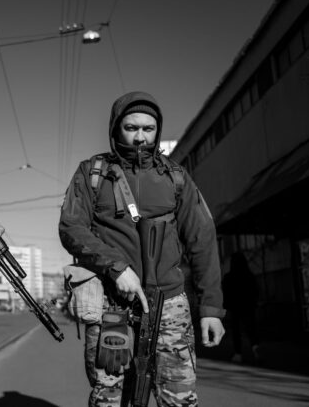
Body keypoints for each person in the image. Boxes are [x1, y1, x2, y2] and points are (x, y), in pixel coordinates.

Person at [59, 91, 225, 407]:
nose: (140, 137)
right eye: (131, 128)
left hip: (170, 305)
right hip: (113, 306)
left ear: (157, 131)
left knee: (178, 399)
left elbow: (202, 240)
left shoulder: (175, 177)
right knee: (112, 397)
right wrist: (115, 267)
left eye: (148, 129)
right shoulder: (92, 173)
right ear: (116, 129)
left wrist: (211, 309)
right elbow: (71, 227)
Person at [222, 251, 260, 363]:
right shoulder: (249, 275)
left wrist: (226, 306)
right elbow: (255, 290)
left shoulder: (229, 277)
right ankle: (255, 348)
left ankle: (238, 354)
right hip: (248, 305)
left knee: (236, 330)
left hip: (234, 306)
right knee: (251, 328)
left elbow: (225, 292)